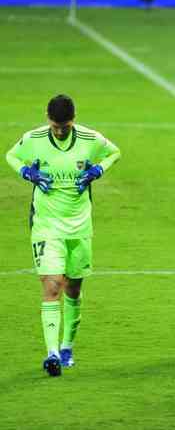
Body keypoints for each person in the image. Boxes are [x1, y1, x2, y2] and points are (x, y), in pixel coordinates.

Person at [5, 94, 121, 376]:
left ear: (73, 120)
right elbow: (10, 154)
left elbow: (115, 152)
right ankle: (52, 353)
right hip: (46, 224)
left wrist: (97, 169)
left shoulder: (89, 138)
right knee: (52, 285)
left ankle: (68, 345)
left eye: (65, 126)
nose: (60, 131)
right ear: (48, 119)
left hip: (79, 225)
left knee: (73, 288)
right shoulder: (33, 138)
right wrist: (25, 172)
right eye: (56, 126)